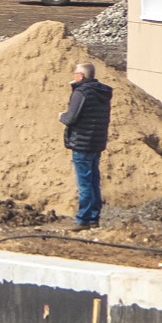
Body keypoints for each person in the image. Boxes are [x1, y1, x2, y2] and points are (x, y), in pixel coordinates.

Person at [65, 59, 113, 229]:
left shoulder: (81, 92)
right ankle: (94, 218)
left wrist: (61, 117)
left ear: (81, 75)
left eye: (75, 73)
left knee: (84, 182)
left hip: (82, 142)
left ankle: (82, 219)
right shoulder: (102, 92)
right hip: (96, 142)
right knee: (93, 180)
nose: (74, 76)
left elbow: (71, 117)